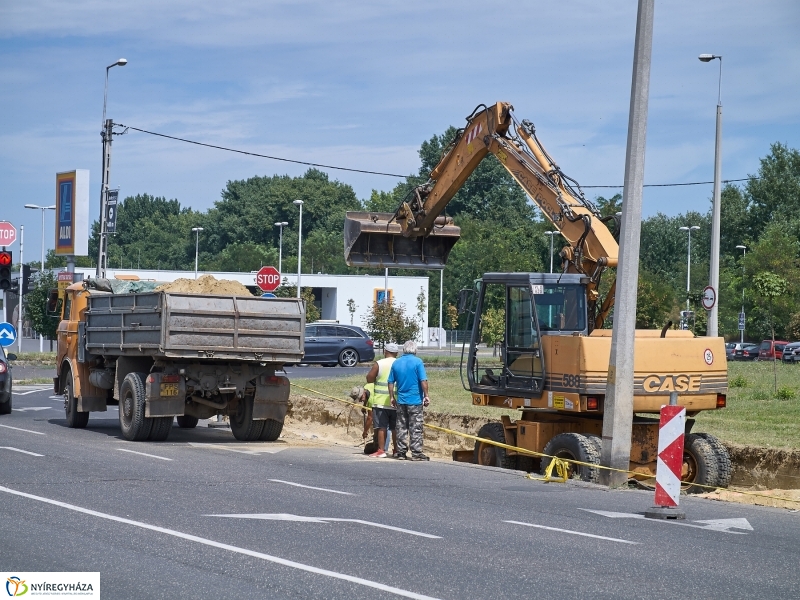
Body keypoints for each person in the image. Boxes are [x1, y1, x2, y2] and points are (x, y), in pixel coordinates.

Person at [387, 340, 430, 461]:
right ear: (415, 350)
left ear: (403, 350)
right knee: (415, 427)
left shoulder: (396, 363)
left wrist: (391, 397)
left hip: (401, 400)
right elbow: (423, 380)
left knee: (401, 426)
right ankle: (416, 453)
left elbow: (390, 381)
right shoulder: (418, 362)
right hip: (415, 400)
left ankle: (401, 452)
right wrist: (426, 395)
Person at [365, 342, 399, 458]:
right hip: (396, 401)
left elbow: (369, 379)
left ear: (385, 351)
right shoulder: (399, 363)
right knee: (395, 428)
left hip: (380, 402)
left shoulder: (379, 363)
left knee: (381, 427)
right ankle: (396, 450)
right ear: (397, 353)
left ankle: (381, 450)